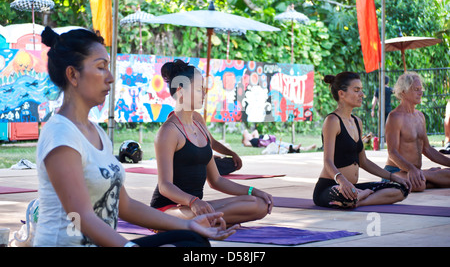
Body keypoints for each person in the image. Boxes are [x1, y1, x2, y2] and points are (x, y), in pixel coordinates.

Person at [34, 27, 236, 247]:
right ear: (72, 74)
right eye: (101, 68)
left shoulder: (97, 133)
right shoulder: (61, 135)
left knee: (194, 239)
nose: (110, 78)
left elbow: (126, 205)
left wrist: (191, 224)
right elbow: (82, 217)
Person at [151, 59, 273, 225]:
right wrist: (193, 201)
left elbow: (216, 180)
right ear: (181, 91)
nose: (204, 93)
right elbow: (165, 186)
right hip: (169, 211)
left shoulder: (199, 125)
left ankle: (211, 221)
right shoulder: (168, 132)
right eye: (199, 89)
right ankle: (212, 221)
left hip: (195, 208)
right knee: (203, 215)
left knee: (259, 204)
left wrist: (252, 190)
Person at [313, 72, 410, 209]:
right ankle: (355, 197)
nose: (362, 94)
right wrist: (342, 181)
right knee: (344, 196)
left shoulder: (357, 122)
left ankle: (359, 199)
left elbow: (363, 161)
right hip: (332, 186)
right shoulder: (332, 121)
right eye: (356, 90)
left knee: (400, 188)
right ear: (342, 94)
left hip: (352, 187)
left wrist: (393, 176)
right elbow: (328, 161)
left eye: (361, 90)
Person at [385, 72, 450, 191]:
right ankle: (428, 176)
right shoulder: (395, 117)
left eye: (421, 89)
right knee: (419, 185)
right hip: (396, 172)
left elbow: (427, 149)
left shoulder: (420, 116)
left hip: (414, 172)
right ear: (403, 92)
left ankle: (425, 176)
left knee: (422, 182)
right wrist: (411, 169)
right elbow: (392, 153)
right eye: (416, 89)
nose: (421, 92)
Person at [242, 129, 316, 152]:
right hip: (269, 144)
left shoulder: (255, 138)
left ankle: (301, 148)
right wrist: (248, 137)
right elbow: (245, 132)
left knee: (284, 144)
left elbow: (255, 131)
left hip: (271, 141)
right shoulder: (249, 142)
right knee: (283, 146)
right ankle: (303, 148)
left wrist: (251, 136)